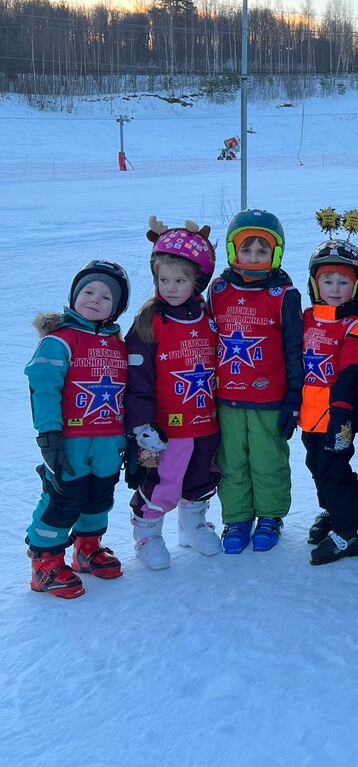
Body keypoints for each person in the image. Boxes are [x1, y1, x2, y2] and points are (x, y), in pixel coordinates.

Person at [24, 260, 130, 598]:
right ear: (74, 296)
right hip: (70, 440)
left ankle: (87, 547)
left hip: (109, 440)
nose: (95, 299)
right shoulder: (59, 341)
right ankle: (45, 562)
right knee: (64, 497)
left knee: (100, 495)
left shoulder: (119, 344)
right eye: (88, 291)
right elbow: (44, 387)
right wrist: (48, 433)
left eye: (106, 297)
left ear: (116, 308)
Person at [125, 219, 222, 569]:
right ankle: (148, 534)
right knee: (162, 480)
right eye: (163, 280)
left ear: (198, 280)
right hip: (165, 428)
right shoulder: (149, 321)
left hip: (205, 420)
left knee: (201, 474)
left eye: (179, 281)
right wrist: (142, 425)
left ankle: (192, 525)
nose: (170, 288)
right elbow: (137, 379)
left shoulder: (208, 317)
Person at [209, 209, 303, 553]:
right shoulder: (218, 289)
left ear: (275, 254)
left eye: (262, 251)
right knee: (231, 462)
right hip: (227, 399)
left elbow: (294, 349)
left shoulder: (283, 295)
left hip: (268, 399)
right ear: (232, 251)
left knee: (268, 461)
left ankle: (270, 516)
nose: (253, 257)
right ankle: (236, 518)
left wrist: (293, 397)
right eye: (245, 250)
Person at [301, 239, 358, 565]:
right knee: (316, 465)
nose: (334, 288)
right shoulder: (309, 317)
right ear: (314, 283)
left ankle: (354, 530)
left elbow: (350, 373)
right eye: (327, 280)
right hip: (311, 413)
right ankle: (334, 511)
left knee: (335, 469)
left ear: (356, 285)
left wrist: (341, 413)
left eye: (343, 282)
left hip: (340, 412)